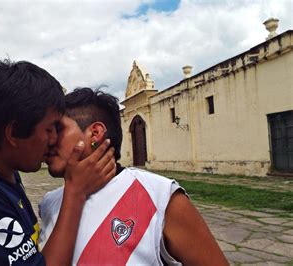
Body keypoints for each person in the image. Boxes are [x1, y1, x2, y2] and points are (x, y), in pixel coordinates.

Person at [0, 59, 116, 265]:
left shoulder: (3, 174)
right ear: (13, 133)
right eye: (50, 128)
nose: (54, 139)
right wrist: (75, 192)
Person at [39, 88, 228, 265]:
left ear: (95, 133)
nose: (49, 139)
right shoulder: (50, 203)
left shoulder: (160, 197)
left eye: (58, 129)